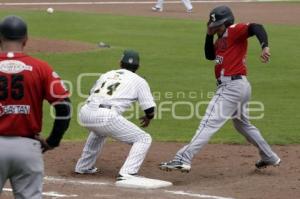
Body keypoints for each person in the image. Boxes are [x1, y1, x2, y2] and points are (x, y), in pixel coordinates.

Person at [159, 5, 281, 173]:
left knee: (208, 123)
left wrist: (264, 46)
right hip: (240, 87)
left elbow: (256, 27)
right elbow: (209, 55)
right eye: (212, 25)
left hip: (231, 87)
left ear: (227, 22)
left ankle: (183, 158)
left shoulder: (234, 30)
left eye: (217, 25)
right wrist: (208, 35)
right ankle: (269, 156)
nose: (214, 27)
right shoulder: (220, 39)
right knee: (243, 125)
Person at [0, 16, 71, 198]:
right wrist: (53, 140)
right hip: (28, 149)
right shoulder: (41, 68)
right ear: (25, 39)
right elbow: (64, 108)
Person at [75, 50, 156, 181]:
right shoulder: (139, 81)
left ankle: (83, 166)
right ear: (138, 67)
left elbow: (91, 91)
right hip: (105, 116)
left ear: (120, 63)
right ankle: (128, 173)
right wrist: (149, 117)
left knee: (99, 131)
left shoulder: (108, 74)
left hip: (85, 112)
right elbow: (149, 108)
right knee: (143, 139)